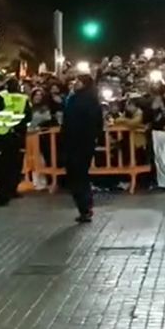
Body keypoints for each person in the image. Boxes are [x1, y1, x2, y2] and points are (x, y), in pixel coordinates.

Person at [0, 73, 31, 207]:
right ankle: (11, 190)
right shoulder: (23, 99)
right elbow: (27, 117)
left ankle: (3, 196)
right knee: (13, 165)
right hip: (15, 135)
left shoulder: (1, 97)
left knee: (1, 167)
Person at [61, 74, 104, 223]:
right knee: (81, 175)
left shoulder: (77, 100)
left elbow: (70, 121)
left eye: (78, 81)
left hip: (75, 142)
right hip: (85, 143)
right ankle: (85, 207)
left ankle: (84, 207)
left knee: (77, 176)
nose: (75, 83)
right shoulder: (91, 101)